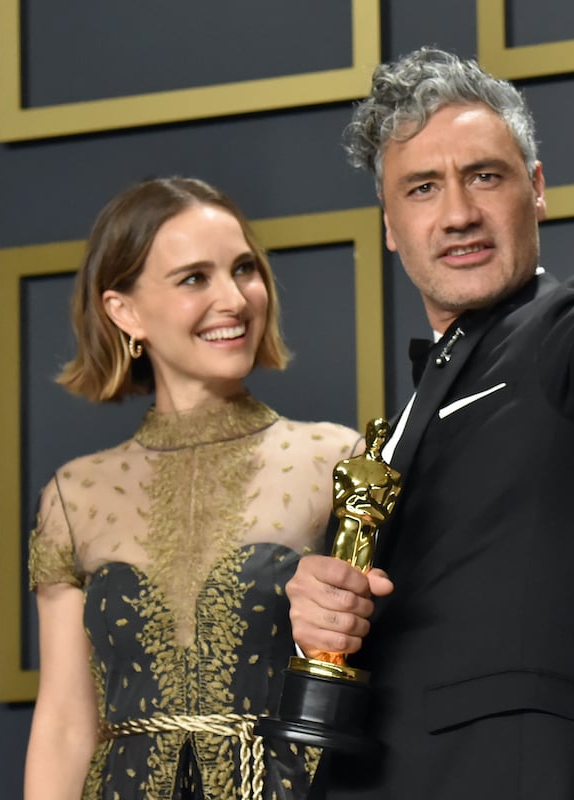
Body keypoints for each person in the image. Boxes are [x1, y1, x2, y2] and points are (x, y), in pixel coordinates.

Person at [283, 47, 574, 799]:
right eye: (422, 188)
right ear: (391, 225)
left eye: (484, 176)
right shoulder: (404, 414)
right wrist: (318, 610)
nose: (458, 214)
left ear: (538, 189)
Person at [24, 177, 364, 800]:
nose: (233, 299)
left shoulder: (334, 459)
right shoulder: (73, 497)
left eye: (244, 270)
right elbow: (66, 723)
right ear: (123, 311)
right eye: (193, 278)